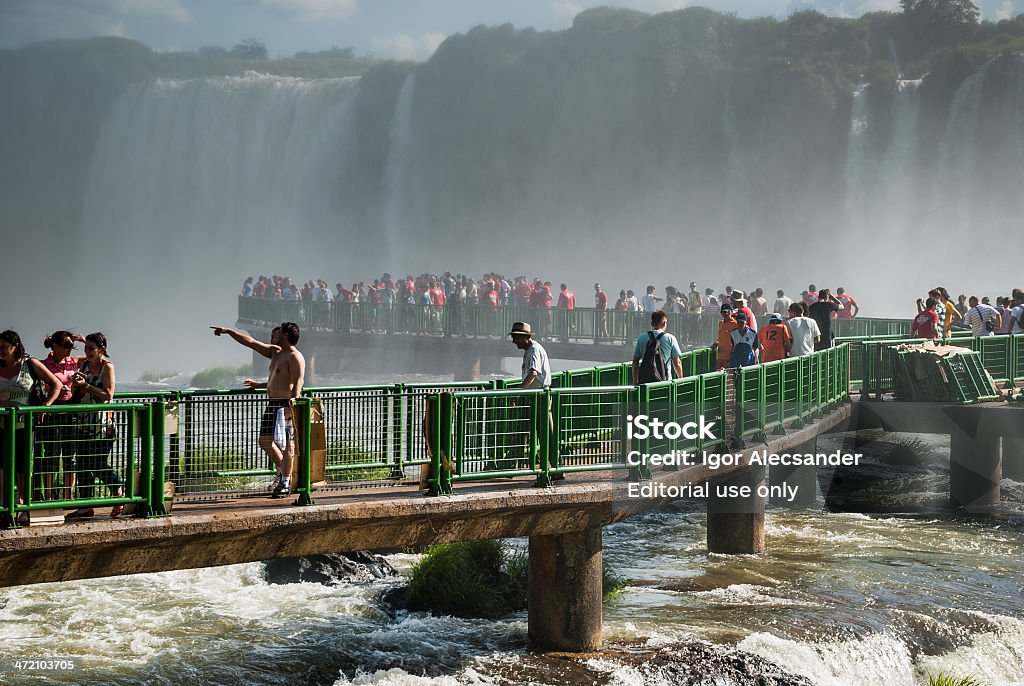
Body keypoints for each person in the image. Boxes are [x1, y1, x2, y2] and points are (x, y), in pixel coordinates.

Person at [211, 322, 305, 498]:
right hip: (273, 404)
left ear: (285, 335)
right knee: (265, 440)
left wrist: (292, 404)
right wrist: (229, 331)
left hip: (285, 405)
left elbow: (298, 381)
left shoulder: (294, 356)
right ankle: (282, 471)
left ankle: (285, 481)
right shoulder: (276, 353)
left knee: (288, 446)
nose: (273, 337)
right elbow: (250, 342)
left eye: (278, 333)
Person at [0, 330, 62, 521]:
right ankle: (3, 507)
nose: (0, 351)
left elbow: (56, 384)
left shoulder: (30, 364)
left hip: (24, 427)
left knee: (23, 468)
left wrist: (45, 406)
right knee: (0, 467)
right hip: (1, 426)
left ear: (15, 347)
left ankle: (23, 508)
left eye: (3, 347)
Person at [66, 332, 122, 520]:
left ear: (102, 349)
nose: (87, 351)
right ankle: (85, 506)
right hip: (84, 422)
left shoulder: (107, 367)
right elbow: (79, 388)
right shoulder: (85, 365)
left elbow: (108, 395)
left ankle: (118, 490)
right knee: (82, 463)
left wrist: (87, 386)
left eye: (91, 348)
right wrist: (76, 386)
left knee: (97, 463)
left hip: (102, 425)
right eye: (86, 348)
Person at [37, 331, 86, 502]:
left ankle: (68, 495)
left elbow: (95, 356)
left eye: (72, 346)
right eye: (66, 345)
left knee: (69, 456)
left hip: (71, 412)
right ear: (54, 346)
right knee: (51, 454)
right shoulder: (44, 365)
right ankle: (49, 496)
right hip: (52, 413)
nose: (70, 349)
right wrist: (52, 392)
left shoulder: (74, 361)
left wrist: (83, 340)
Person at [632, 310, 683, 384]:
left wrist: (635, 381)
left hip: (645, 382)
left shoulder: (641, 337)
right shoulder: (670, 338)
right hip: (665, 382)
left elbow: (635, 361)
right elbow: (677, 362)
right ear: (665, 323)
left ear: (652, 323)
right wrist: (681, 380)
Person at [509, 322, 550, 389]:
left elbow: (533, 373)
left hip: (539, 394)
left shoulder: (534, 350)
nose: (514, 341)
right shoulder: (530, 349)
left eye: (516, 338)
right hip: (537, 393)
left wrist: (519, 391)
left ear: (526, 337)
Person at [713, 303, 739, 370]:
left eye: (728, 311)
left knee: (728, 377)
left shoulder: (735, 324)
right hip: (720, 356)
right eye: (724, 312)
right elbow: (721, 337)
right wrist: (717, 343)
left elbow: (737, 340)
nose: (726, 313)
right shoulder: (721, 323)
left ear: (731, 312)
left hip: (729, 357)